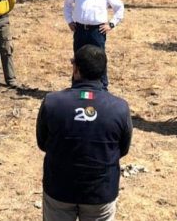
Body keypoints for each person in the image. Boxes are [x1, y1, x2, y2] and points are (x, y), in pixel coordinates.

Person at [36, 45, 132, 221]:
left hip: (59, 189)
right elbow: (122, 149)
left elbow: (43, 143)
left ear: (76, 69)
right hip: (100, 192)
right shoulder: (119, 108)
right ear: (103, 72)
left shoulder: (52, 102)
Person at [63, 0, 124, 89]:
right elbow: (67, 4)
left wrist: (111, 24)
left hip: (97, 31)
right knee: (78, 58)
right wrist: (69, 21)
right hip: (80, 29)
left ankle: (102, 87)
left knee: (98, 58)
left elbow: (119, 7)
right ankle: (77, 86)